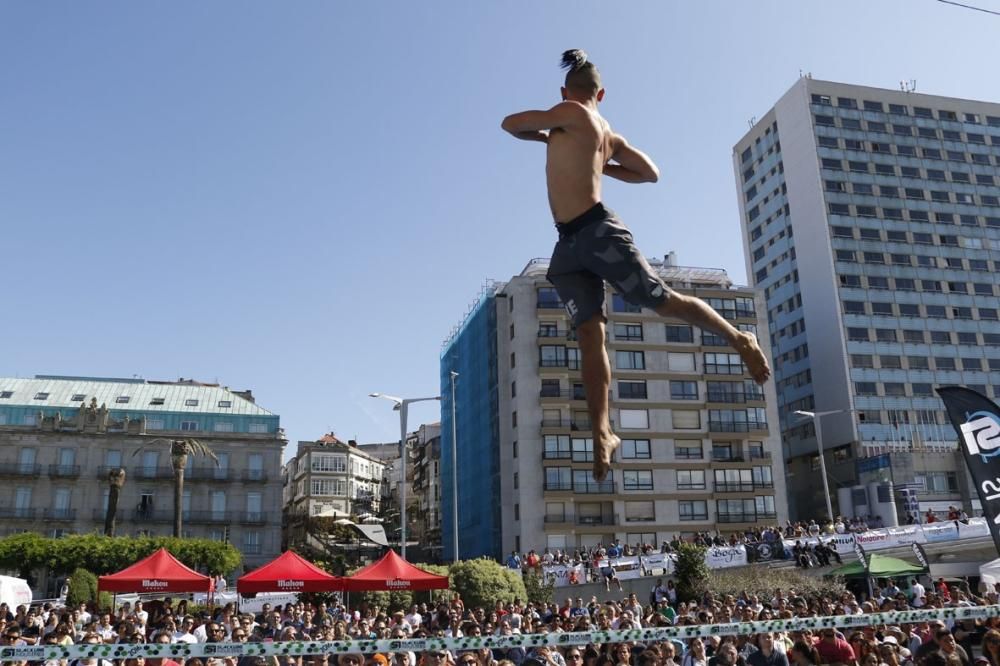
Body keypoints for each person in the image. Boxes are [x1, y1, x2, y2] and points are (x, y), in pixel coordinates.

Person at [501, 48, 770, 482]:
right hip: (569, 245)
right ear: (602, 93)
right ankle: (602, 431)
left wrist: (548, 132)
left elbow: (510, 124)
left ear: (566, 92)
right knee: (590, 332)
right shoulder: (604, 130)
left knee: (662, 301)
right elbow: (649, 172)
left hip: (596, 233)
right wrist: (601, 160)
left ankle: (739, 338)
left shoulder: (568, 113)